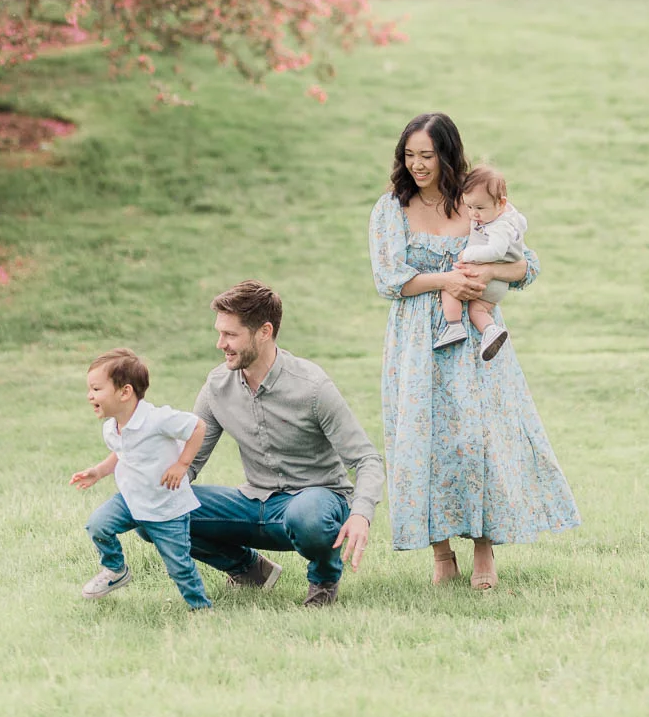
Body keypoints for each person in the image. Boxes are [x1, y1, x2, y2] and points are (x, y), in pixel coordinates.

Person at [370, 112, 580, 590]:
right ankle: (441, 553)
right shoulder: (391, 209)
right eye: (410, 155)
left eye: (427, 155)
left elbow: (526, 266)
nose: (418, 165)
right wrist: (446, 279)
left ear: (448, 154)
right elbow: (388, 279)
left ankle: (485, 548)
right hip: (418, 342)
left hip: (477, 337)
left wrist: (485, 276)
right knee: (427, 443)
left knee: (479, 439)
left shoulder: (478, 200)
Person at [187, 279, 384, 608]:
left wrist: (361, 515)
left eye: (230, 334)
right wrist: (151, 495)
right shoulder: (216, 386)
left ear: (264, 331)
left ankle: (323, 579)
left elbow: (367, 459)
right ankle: (250, 570)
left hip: (315, 502)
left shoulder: (312, 387)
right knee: (161, 509)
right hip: (254, 502)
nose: (220, 344)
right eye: (219, 333)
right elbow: (188, 462)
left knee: (307, 516)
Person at [70, 348, 212, 610]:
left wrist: (182, 464)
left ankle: (201, 608)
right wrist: (98, 471)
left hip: (166, 509)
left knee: (179, 566)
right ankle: (115, 570)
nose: (90, 395)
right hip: (131, 500)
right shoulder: (111, 427)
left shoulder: (157, 419)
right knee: (97, 525)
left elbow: (197, 427)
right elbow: (122, 453)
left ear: (125, 392)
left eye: (96, 389)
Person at [433, 162, 527, 363]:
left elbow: (496, 251)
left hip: (487, 280)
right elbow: (523, 224)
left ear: (501, 204)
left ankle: (454, 326)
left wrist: (469, 254)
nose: (474, 214)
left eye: (479, 208)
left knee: (449, 286)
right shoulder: (509, 217)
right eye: (469, 207)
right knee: (477, 310)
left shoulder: (498, 226)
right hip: (497, 285)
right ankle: (490, 330)